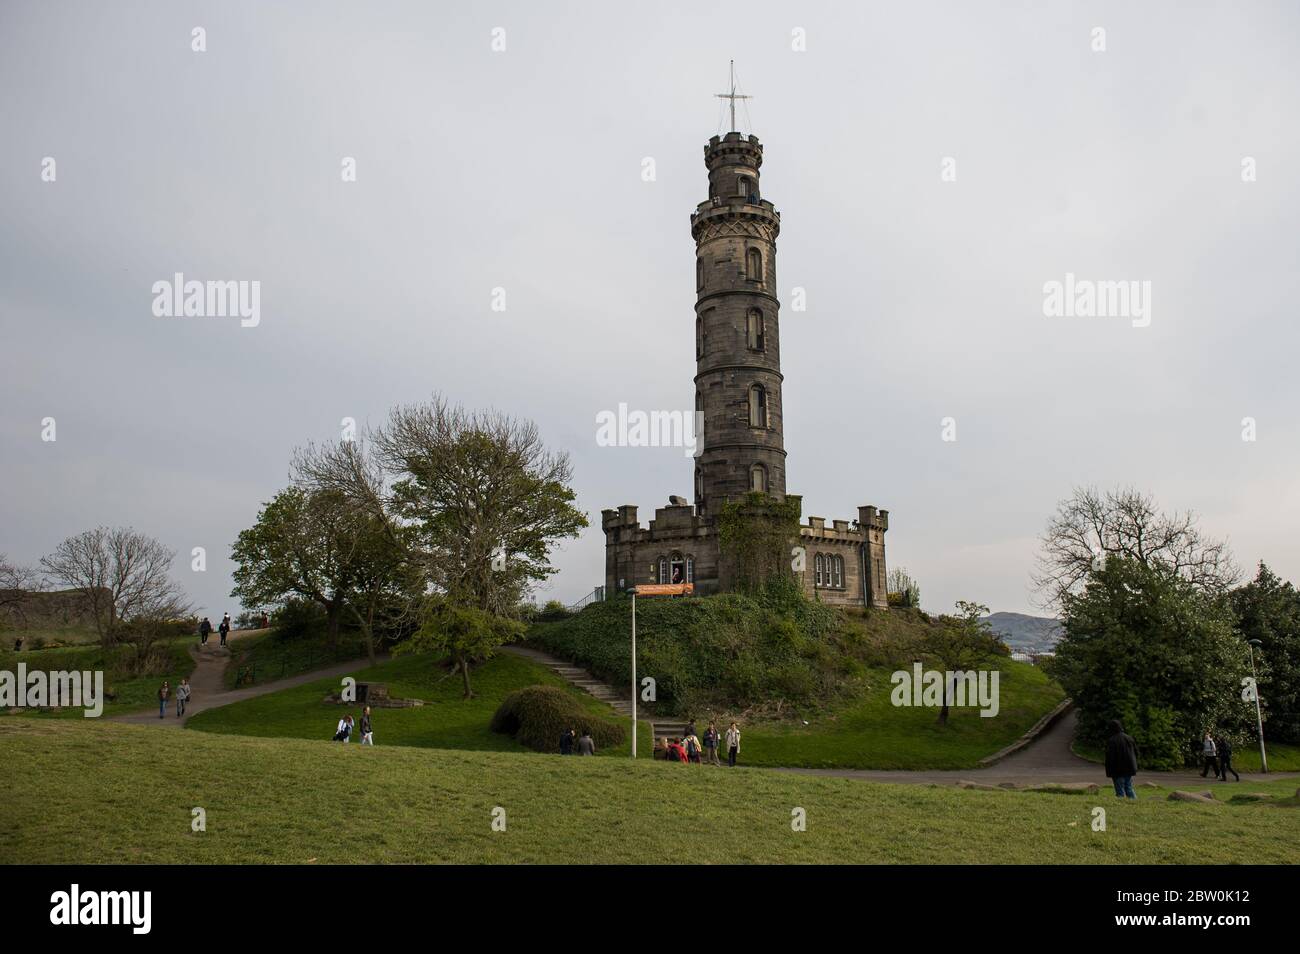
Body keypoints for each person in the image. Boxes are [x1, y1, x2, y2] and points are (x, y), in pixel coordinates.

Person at [1104, 719, 1139, 799]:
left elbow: (1110, 758)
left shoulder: (1112, 740)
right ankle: (1134, 803)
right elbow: (1136, 752)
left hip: (1117, 770)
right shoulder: (1129, 738)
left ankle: (1121, 805)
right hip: (1130, 767)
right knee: (1129, 787)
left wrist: (1109, 771)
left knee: (1120, 790)